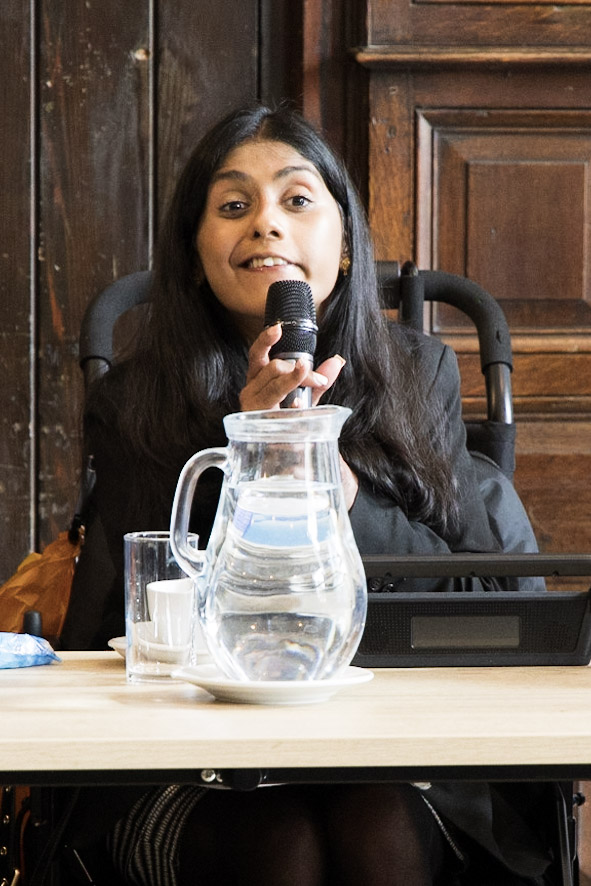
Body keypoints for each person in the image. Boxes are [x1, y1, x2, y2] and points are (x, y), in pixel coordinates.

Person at [61, 104, 553, 885]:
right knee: (279, 839)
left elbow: (484, 597)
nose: (265, 226)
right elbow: (116, 620)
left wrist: (333, 484)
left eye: (296, 201)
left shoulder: (417, 377)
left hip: (396, 750)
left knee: (375, 821)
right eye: (233, 207)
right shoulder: (137, 400)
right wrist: (245, 459)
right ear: (194, 256)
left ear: (347, 245)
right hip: (185, 761)